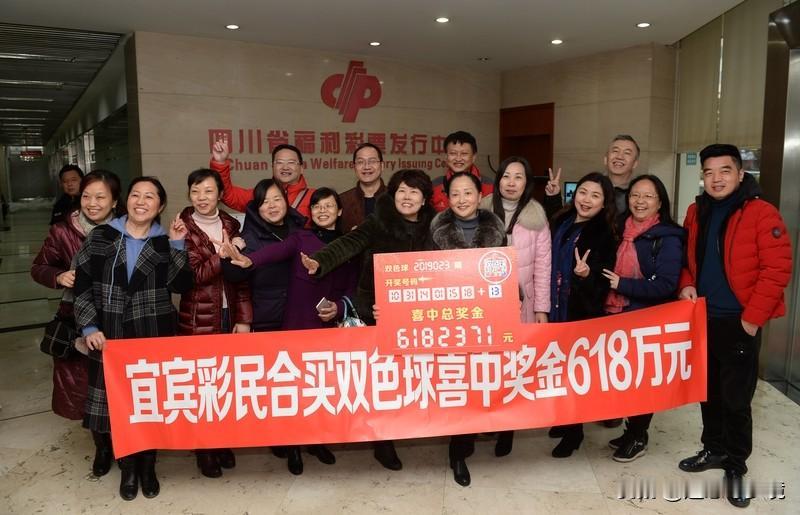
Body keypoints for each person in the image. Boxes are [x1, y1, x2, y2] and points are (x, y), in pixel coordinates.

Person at [676, 144, 792, 508]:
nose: (716, 179)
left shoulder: (761, 213)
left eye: (724, 171)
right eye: (709, 172)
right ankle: (713, 449)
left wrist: (751, 320)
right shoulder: (697, 211)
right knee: (708, 391)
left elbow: (777, 270)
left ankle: (736, 465)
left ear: (741, 174)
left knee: (736, 400)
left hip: (739, 322)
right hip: (703, 318)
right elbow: (687, 258)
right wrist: (686, 283)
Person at [300, 169, 436, 471]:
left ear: (425, 199)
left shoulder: (434, 227)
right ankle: (383, 443)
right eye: (401, 191)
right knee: (383, 383)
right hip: (376, 315)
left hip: (417, 319)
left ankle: (406, 427)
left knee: (411, 380)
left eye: (414, 191)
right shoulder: (378, 221)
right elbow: (348, 243)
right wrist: (320, 261)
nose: (407, 197)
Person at [73, 177, 193, 501]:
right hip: (109, 335)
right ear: (126, 200)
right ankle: (128, 467)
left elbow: (181, 285)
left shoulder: (165, 242)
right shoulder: (101, 236)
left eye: (150, 196)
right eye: (136, 195)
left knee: (148, 404)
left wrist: (178, 245)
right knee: (118, 406)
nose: (141, 201)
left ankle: (148, 465)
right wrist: (89, 327)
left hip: (152, 335)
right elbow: (82, 286)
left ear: (161, 205)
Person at [225, 187, 358, 475]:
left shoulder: (349, 244)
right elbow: (273, 252)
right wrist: (249, 260)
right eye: (317, 206)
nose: (323, 211)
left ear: (340, 211)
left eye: (329, 206)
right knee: (295, 391)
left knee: (325, 388)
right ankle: (294, 446)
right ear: (311, 212)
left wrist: (338, 307)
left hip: (329, 327)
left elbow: (352, 286)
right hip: (297, 326)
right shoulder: (301, 238)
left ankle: (319, 442)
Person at [31, 170, 121, 478]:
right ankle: (102, 447)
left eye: (100, 197)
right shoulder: (62, 231)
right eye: (86, 196)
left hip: (118, 319)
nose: (92, 203)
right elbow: (39, 267)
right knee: (88, 388)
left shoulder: (128, 229)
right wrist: (58, 276)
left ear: (114, 201)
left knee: (118, 386)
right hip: (77, 320)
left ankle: (123, 443)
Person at [599, 175, 685, 462]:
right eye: (635, 195)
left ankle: (638, 436)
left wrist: (622, 284)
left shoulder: (668, 237)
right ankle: (629, 430)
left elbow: (666, 285)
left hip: (646, 321)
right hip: (614, 315)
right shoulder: (617, 228)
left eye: (648, 196)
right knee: (623, 380)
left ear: (660, 202)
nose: (640, 201)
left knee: (642, 383)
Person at [429, 171, 506, 486]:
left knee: (482, 383)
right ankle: (458, 452)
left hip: (487, 321)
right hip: (450, 322)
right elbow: (423, 277)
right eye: (455, 194)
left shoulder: (496, 230)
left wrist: (512, 299)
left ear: (479, 196)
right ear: (447, 198)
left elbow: (504, 273)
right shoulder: (435, 231)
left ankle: (480, 434)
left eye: (468, 193)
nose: (462, 199)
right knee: (459, 386)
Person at [177, 168, 253, 478]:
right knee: (202, 386)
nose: (202, 197)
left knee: (226, 384)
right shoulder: (183, 229)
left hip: (228, 314)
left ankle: (222, 442)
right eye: (196, 191)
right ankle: (204, 449)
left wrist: (244, 319)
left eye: (208, 191)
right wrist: (224, 254)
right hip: (198, 317)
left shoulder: (232, 224)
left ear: (220, 194)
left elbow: (242, 278)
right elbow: (194, 275)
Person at [480, 155, 551, 457]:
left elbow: (543, 267)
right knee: (487, 366)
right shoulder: (480, 210)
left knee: (513, 367)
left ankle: (508, 428)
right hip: (484, 306)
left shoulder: (537, 217)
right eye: (506, 176)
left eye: (518, 177)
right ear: (498, 181)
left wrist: (542, 309)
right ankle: (488, 418)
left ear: (527, 183)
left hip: (522, 305)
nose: (511, 183)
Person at [547, 172, 618, 458]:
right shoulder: (564, 219)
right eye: (583, 192)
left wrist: (587, 274)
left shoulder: (604, 233)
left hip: (580, 311)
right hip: (555, 307)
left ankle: (574, 433)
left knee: (575, 373)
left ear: (604, 203)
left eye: (595, 195)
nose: (586, 200)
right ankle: (564, 420)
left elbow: (603, 280)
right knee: (557, 368)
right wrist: (553, 196)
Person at [222, 178, 306, 332]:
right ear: (258, 207)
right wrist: (226, 257)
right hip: (266, 320)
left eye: (277, 199)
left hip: (299, 316)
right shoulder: (249, 238)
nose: (272, 205)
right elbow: (236, 279)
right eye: (265, 202)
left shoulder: (300, 230)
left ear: (286, 201)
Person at [210, 139, 315, 219]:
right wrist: (220, 163)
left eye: (291, 162)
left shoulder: (314, 197)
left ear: (301, 168)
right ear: (272, 167)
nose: (285, 167)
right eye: (279, 162)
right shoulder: (259, 194)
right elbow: (228, 194)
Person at [431, 131, 493, 212]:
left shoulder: (490, 186)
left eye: (464, 154)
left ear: (474, 157)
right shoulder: (434, 186)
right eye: (453, 153)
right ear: (446, 156)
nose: (458, 158)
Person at [339, 142, 387, 232]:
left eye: (372, 161)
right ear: (354, 167)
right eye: (360, 162)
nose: (366, 166)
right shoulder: (342, 201)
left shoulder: (395, 198)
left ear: (382, 166)